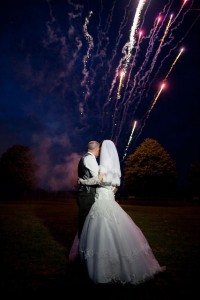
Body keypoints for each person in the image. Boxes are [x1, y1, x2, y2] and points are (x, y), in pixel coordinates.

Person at [78, 139, 166, 285]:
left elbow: (98, 181)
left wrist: (82, 181)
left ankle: (104, 269)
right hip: (111, 201)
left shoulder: (103, 169)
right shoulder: (116, 171)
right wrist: (111, 189)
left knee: (101, 233)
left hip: (101, 202)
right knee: (117, 231)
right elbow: (116, 187)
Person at [76, 140, 100, 238]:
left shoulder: (84, 157)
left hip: (84, 194)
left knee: (85, 220)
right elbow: (97, 179)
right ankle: (82, 247)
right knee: (86, 221)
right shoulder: (90, 158)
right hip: (87, 194)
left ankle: (83, 245)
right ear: (97, 149)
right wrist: (83, 182)